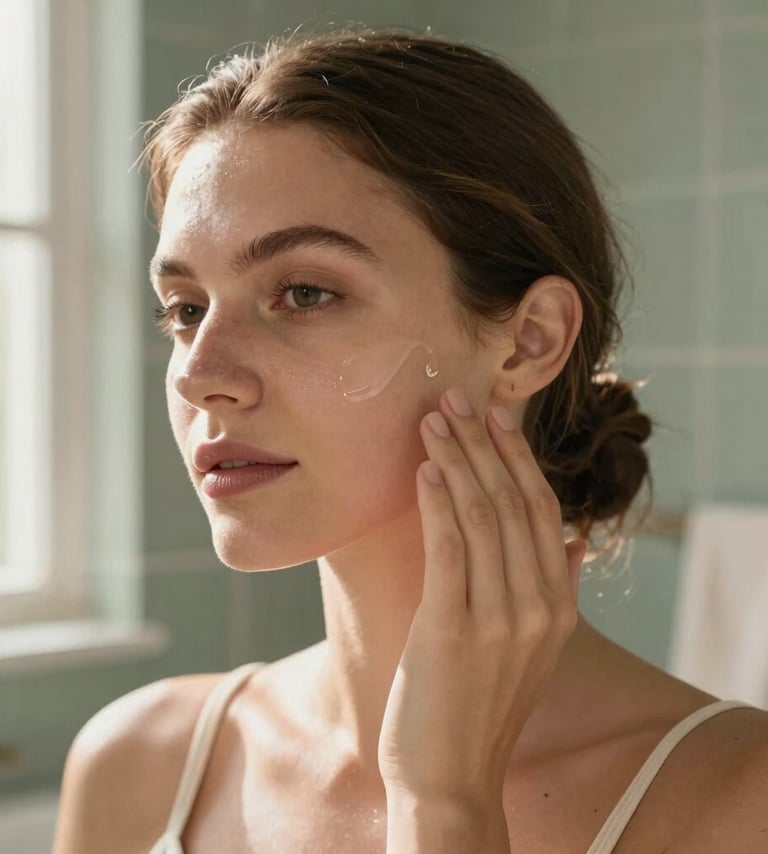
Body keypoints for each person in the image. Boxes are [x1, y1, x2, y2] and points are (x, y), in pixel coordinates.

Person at [53, 26, 768, 854]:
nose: (199, 372)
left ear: (528, 340)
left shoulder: (734, 805)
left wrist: (446, 802)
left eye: (305, 292)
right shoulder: (141, 763)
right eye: (185, 308)